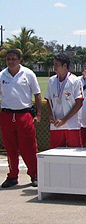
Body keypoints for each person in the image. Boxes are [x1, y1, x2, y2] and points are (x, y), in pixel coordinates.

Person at [0, 49, 42, 188]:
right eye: (8, 59)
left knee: (29, 147)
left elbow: (37, 95)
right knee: (10, 148)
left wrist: (38, 114)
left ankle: (35, 175)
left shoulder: (28, 74)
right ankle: (12, 176)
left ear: (20, 60)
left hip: (24, 114)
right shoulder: (2, 75)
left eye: (13, 59)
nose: (10, 62)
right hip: (6, 115)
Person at [45, 53, 84, 148]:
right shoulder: (52, 80)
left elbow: (79, 103)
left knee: (75, 153)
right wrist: (51, 116)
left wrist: (64, 120)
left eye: (57, 65)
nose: (54, 67)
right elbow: (48, 100)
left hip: (72, 124)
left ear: (65, 66)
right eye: (53, 64)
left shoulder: (75, 80)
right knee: (55, 153)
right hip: (56, 125)